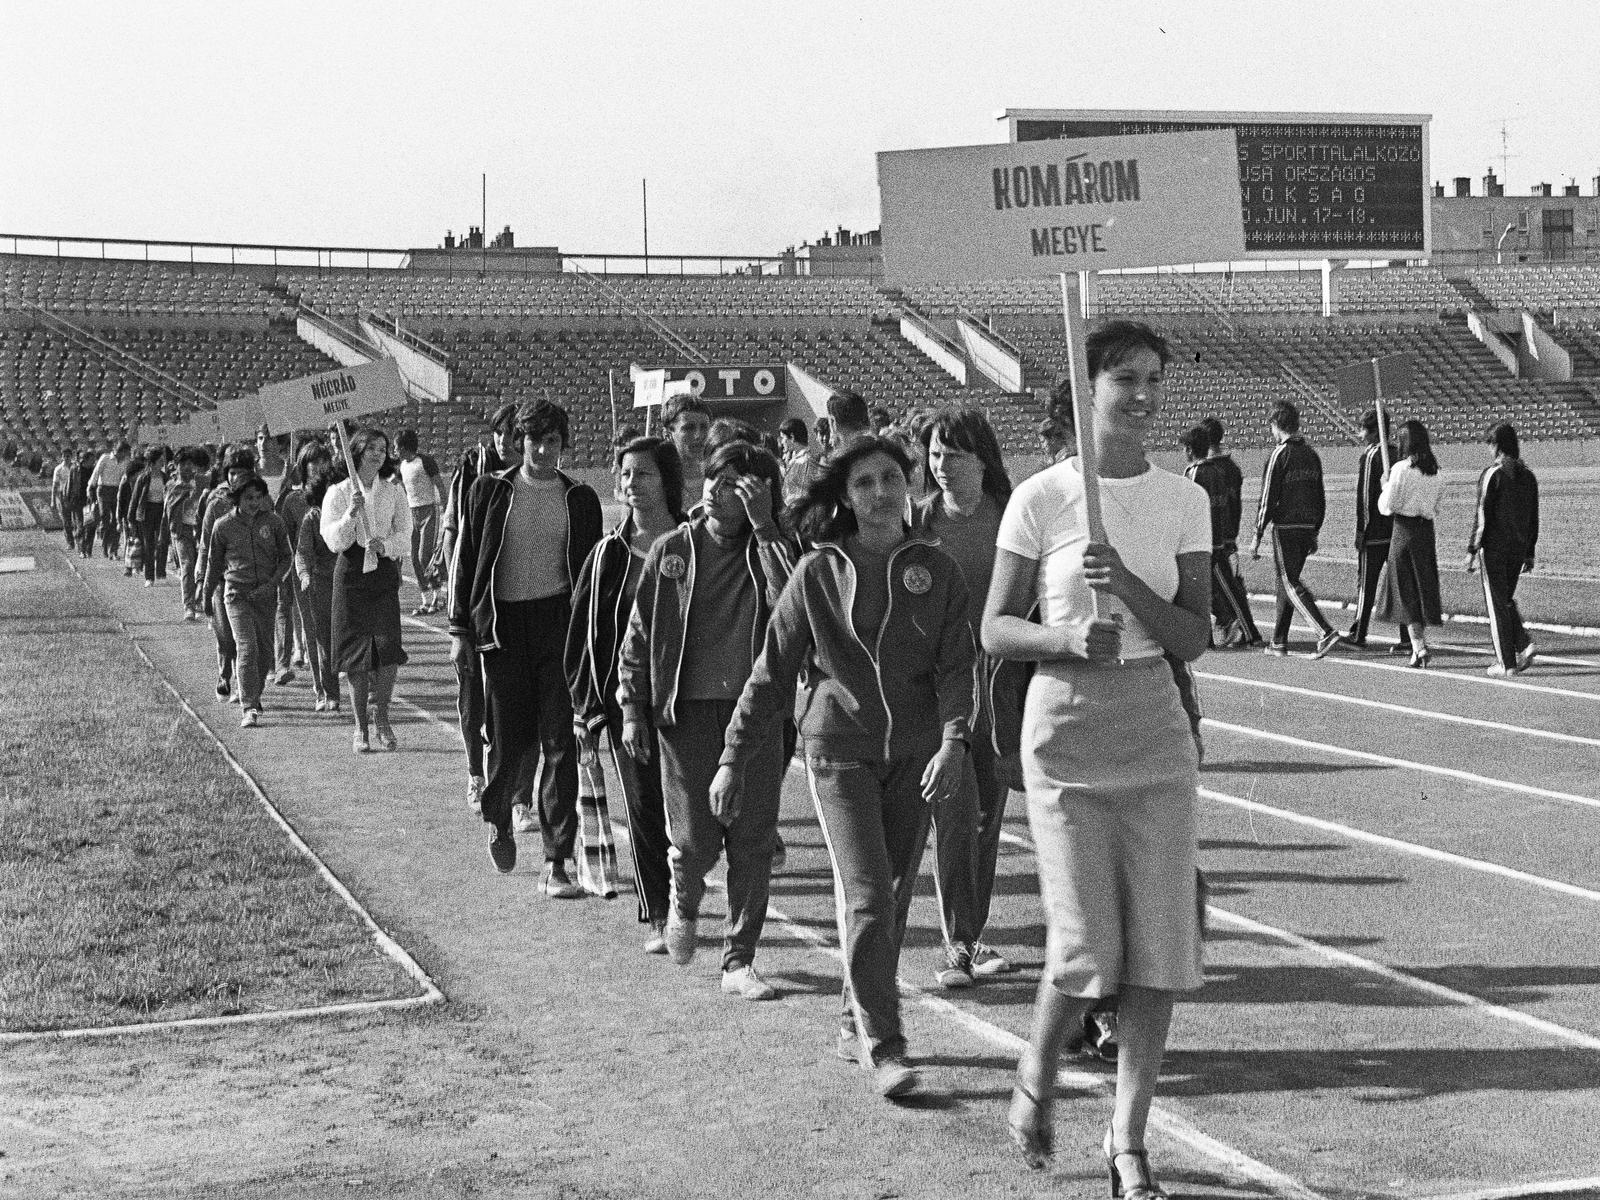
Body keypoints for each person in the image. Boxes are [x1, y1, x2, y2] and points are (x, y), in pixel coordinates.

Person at [983, 319, 1211, 1194]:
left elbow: (1191, 637)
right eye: (1126, 378)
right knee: (1085, 947)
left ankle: (1127, 1140)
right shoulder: (1041, 496)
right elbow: (996, 627)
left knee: (1158, 948)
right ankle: (1035, 1080)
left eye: (1155, 377)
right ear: (1087, 389)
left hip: (1154, 729)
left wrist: (1133, 587)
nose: (1145, 395)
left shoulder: (1183, 498)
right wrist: (1071, 633)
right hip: (1068, 730)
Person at [712, 434, 973, 1096]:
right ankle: (886, 1045)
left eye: (891, 478)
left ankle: (852, 1021)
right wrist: (731, 760)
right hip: (838, 752)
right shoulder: (818, 573)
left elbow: (955, 665)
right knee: (866, 894)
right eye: (864, 483)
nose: (881, 492)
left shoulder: (936, 571)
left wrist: (952, 742)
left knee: (889, 898)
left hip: (916, 758)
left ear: (907, 486)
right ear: (845, 497)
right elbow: (771, 674)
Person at [618, 439, 797, 1001]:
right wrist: (631, 708)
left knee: (752, 841)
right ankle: (683, 899)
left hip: (757, 714)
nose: (718, 494)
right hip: (684, 715)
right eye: (713, 481)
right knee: (695, 842)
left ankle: (738, 961)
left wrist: (767, 528)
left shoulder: (775, 547)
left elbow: (794, 603)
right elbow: (639, 636)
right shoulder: (674, 550)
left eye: (736, 486)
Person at [448, 400, 601, 892]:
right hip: (503, 627)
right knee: (510, 738)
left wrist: (592, 638)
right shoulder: (489, 491)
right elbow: (466, 561)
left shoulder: (580, 498)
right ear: (519, 442)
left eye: (552, 441)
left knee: (561, 742)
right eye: (533, 440)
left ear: (563, 444)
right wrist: (459, 631)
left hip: (558, 625)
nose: (542, 449)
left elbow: (591, 576)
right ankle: (499, 816)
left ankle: (557, 862)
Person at [566, 436, 686, 951]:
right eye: (626, 475)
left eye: (644, 474)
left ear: (667, 480)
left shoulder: (696, 542)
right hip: (628, 705)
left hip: (691, 700)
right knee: (643, 808)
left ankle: (688, 895)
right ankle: (659, 912)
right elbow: (584, 636)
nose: (633, 485)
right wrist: (589, 711)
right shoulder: (608, 555)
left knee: (693, 813)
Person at [913, 407, 1018, 989]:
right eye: (935, 454)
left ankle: (973, 938)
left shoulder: (1010, 522)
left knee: (986, 821)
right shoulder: (918, 524)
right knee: (952, 814)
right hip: (942, 689)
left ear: (983, 458)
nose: (943, 466)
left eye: (955, 454)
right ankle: (957, 944)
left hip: (1000, 687)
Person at [440, 402, 520, 811]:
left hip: (517, 607)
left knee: (515, 706)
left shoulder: (538, 478)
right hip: (474, 603)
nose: (506, 442)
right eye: (500, 433)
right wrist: (459, 617)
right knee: (473, 696)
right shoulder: (472, 468)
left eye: (514, 434)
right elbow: (456, 531)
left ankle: (518, 792)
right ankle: (475, 773)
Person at [322, 428, 412, 753]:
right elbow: (333, 540)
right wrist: (350, 514)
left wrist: (386, 544)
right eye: (372, 448)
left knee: (388, 651)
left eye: (383, 449)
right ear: (357, 450)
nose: (378, 454)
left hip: (382, 572)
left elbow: (405, 533)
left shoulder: (393, 491)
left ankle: (382, 716)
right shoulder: (339, 492)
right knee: (356, 654)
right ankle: (360, 725)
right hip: (351, 576)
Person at [1250, 401, 1344, 658]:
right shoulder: (1312, 454)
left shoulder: (1280, 454)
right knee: (1286, 583)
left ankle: (1325, 632)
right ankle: (1279, 641)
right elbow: (1320, 496)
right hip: (1307, 525)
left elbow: (1268, 497)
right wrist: (1315, 530)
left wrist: (1257, 535)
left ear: (1276, 425)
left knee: (1288, 581)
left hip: (1286, 526)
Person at [201, 477, 294, 729]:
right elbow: (214, 564)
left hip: (265, 594)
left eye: (258, 497)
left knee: (265, 653)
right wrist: (207, 594)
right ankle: (249, 706)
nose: (254, 503)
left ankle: (255, 692)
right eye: (248, 498)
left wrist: (272, 584)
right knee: (246, 647)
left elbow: (287, 558)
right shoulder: (223, 526)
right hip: (236, 594)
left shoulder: (274, 523)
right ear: (237, 499)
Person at [1467, 421, 1539, 677]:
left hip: (1495, 547)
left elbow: (1482, 514)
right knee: (1505, 599)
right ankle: (1523, 643)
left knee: (1496, 604)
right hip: (1518, 547)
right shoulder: (1528, 476)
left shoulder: (1493, 474)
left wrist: (1473, 548)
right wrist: (1529, 550)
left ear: (1496, 446)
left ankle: (1505, 662)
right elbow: (1533, 517)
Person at [1181, 424, 1259, 648]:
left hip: (1202, 541)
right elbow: (1226, 505)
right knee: (1223, 586)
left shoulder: (1194, 473)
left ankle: (1225, 627)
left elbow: (1190, 507)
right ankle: (1237, 629)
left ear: (1189, 450)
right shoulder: (1219, 471)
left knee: (1203, 587)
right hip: (1221, 537)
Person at [1377, 419, 1446, 669]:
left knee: (1405, 591)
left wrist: (1385, 487)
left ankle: (1419, 645)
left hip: (1404, 531)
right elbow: (1436, 507)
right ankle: (1418, 644)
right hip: (1425, 532)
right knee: (1421, 587)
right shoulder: (1437, 471)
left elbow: (1388, 506)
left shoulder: (1400, 470)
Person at [196, 448, 257, 701]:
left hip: (250, 577)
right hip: (221, 578)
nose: (236, 478)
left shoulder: (259, 500)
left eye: (242, 473)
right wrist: (201, 581)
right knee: (225, 635)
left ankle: (245, 686)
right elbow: (204, 544)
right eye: (232, 473)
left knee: (246, 637)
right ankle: (224, 672)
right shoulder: (216, 503)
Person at [1348, 409, 1408, 654]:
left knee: (1367, 585)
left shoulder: (1372, 456)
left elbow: (1365, 498)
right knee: (1399, 584)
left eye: (1363, 429)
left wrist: (1361, 530)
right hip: (1394, 531)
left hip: (1374, 531)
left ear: (1374, 432)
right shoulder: (1397, 455)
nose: (1360, 434)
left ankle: (1359, 633)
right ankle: (1407, 636)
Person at [292, 444, 340, 711]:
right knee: (324, 642)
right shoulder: (312, 519)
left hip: (348, 583)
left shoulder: (349, 515)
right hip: (321, 584)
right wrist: (305, 575)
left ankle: (368, 687)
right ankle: (330, 693)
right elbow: (302, 552)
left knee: (355, 638)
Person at [396, 429, 446, 616]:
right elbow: (398, 486)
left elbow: (440, 485)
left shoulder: (425, 461)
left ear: (403, 447)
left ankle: (438, 596)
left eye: (396, 447)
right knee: (415, 559)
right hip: (412, 513)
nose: (394, 450)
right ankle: (425, 599)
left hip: (429, 512)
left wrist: (445, 508)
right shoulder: (401, 466)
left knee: (426, 557)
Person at [164, 447, 210, 619]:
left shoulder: (204, 481)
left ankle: (200, 600)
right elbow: (168, 510)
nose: (186, 468)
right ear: (175, 466)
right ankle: (188, 605)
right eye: (182, 464)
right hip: (182, 530)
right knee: (187, 565)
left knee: (202, 567)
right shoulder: (172, 486)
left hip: (202, 531)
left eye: (190, 464)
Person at [127, 447, 170, 588]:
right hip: (146, 512)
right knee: (148, 544)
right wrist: (131, 518)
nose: (162, 463)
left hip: (161, 511)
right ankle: (149, 576)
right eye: (160, 461)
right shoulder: (143, 478)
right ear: (152, 462)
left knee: (162, 542)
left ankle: (161, 572)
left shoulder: (165, 477)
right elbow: (135, 499)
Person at [662, 394, 713, 504]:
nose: (698, 435)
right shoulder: (658, 483)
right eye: (689, 428)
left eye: (704, 427)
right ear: (668, 435)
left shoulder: (719, 478)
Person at [87, 440, 131, 559]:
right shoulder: (105, 458)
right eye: (125, 453)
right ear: (120, 451)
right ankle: (105, 545)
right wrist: (91, 488)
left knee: (117, 520)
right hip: (103, 490)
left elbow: (126, 477)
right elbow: (96, 474)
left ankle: (114, 550)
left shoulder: (126, 462)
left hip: (117, 490)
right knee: (105, 517)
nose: (126, 456)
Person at [778, 417, 814, 504]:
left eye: (783, 437)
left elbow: (801, 495)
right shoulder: (797, 459)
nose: (782, 442)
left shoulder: (803, 461)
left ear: (792, 437)